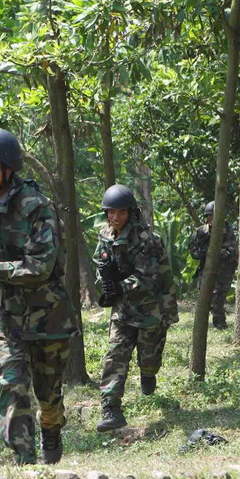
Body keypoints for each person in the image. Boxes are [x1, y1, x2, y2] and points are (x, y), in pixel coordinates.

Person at [0, 128, 79, 465]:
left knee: (49, 396)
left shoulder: (36, 207)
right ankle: (25, 462)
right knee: (10, 383)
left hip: (47, 314)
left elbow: (41, 267)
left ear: (9, 169)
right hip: (2, 314)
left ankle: (51, 429)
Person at [94, 185, 178, 432]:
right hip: (123, 309)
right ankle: (111, 409)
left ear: (131, 213)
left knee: (149, 358)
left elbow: (147, 279)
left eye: (121, 212)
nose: (115, 217)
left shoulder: (147, 240)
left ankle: (148, 374)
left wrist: (118, 286)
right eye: (111, 212)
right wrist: (106, 282)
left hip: (152, 308)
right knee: (115, 355)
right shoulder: (105, 235)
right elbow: (100, 263)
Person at [188, 201, 238, 329]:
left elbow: (231, 252)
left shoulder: (228, 230)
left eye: (214, 216)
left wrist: (219, 252)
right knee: (204, 297)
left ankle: (220, 324)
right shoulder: (200, 232)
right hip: (205, 269)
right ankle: (201, 325)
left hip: (223, 271)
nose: (211, 219)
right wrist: (206, 252)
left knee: (218, 299)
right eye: (209, 216)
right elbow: (194, 252)